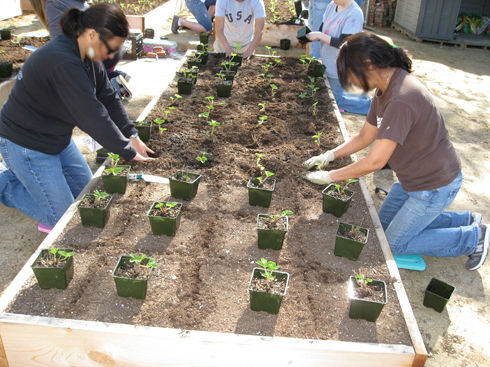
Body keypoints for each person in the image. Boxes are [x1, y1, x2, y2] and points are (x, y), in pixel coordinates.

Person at [303, 32, 488, 271]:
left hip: (433, 185)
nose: (352, 82)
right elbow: (364, 137)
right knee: (382, 224)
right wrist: (330, 155)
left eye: (351, 74)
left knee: (393, 244)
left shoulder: (401, 99)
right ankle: (465, 220)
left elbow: (375, 161)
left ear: (369, 65)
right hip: (411, 180)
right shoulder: (384, 90)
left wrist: (330, 177)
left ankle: (472, 239)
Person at [0, 4, 154, 233]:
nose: (111, 56)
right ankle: (5, 184)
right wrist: (127, 151)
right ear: (92, 35)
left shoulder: (88, 53)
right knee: (63, 218)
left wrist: (132, 135)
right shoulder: (63, 61)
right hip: (26, 145)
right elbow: (92, 116)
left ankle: (32, 180)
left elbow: (108, 97)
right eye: (110, 49)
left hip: (57, 138)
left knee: (89, 196)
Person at [30, 0, 130, 98]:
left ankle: (105, 78)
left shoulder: (55, 4)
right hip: (103, 57)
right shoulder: (62, 5)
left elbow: (61, 49)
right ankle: (108, 76)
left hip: (98, 57)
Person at [306, 0, 371, 115]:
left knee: (335, 101)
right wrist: (313, 36)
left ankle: (371, 105)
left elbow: (344, 43)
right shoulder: (332, 5)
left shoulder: (354, 14)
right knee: (326, 95)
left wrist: (320, 36)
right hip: (329, 64)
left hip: (340, 68)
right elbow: (323, 28)